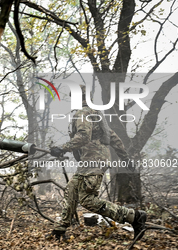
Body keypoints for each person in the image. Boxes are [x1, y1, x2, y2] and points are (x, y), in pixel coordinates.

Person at [48, 85, 147, 241]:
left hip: (93, 161)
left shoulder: (82, 113)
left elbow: (83, 136)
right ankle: (59, 229)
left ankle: (134, 216)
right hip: (90, 161)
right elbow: (114, 138)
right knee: (71, 190)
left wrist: (62, 148)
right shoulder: (96, 115)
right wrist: (126, 159)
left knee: (87, 199)